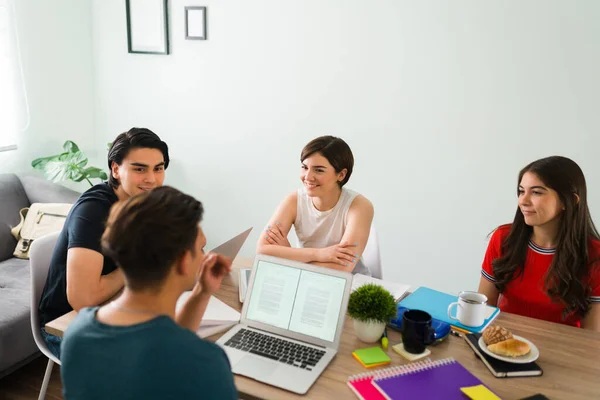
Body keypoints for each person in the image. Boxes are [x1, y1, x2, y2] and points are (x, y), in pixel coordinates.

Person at [61, 186, 237, 399]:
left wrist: (201, 292)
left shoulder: (77, 334)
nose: (204, 256)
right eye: (200, 249)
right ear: (182, 261)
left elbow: (167, 345)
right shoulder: (205, 362)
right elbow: (174, 353)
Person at [38, 127, 169, 358]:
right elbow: (83, 299)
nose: (152, 179)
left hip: (116, 304)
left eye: (158, 169)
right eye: (140, 169)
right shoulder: (93, 211)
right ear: (116, 169)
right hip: (67, 326)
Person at [478, 156, 600, 331]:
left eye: (536, 192)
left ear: (570, 201)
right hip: (501, 345)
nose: (523, 201)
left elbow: (591, 340)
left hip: (563, 352)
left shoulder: (595, 256)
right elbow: (481, 314)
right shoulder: (502, 238)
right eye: (521, 191)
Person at [256, 135, 374, 274]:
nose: (308, 177)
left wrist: (289, 255)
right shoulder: (293, 201)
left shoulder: (359, 206)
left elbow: (342, 268)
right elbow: (262, 250)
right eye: (305, 167)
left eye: (319, 170)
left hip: (349, 284)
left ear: (341, 175)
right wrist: (319, 254)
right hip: (303, 279)